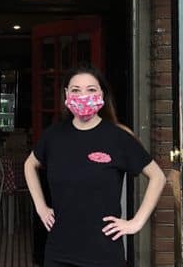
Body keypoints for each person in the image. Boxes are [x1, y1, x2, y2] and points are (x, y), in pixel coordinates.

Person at [24, 65, 166, 267]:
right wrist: (40, 206)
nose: (83, 96)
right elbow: (30, 164)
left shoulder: (118, 137)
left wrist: (136, 222)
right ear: (66, 94)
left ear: (102, 94)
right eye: (76, 90)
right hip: (59, 252)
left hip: (105, 254)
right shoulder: (53, 136)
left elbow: (157, 176)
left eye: (91, 90)